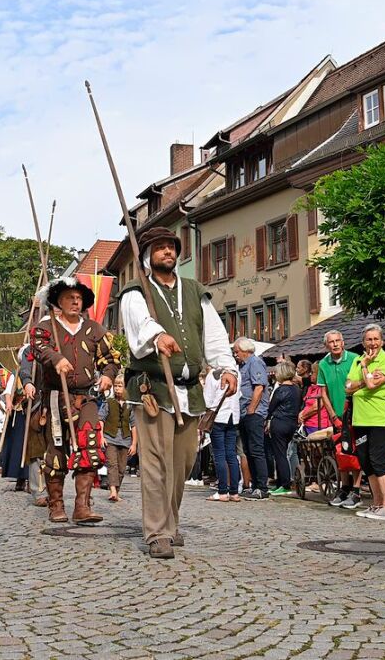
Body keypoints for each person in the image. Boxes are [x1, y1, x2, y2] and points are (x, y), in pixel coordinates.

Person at [119, 227, 238, 559]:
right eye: (158, 248)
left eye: (170, 247)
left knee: (183, 463)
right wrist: (157, 337)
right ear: (147, 256)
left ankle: (169, 524)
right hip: (153, 389)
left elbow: (213, 335)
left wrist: (227, 366)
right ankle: (157, 532)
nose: (166, 252)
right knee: (156, 462)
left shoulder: (194, 291)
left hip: (190, 391)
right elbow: (138, 324)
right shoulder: (135, 290)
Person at [21, 277, 120, 525]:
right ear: (58, 302)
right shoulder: (47, 326)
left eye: (79, 299)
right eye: (70, 298)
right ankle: (56, 506)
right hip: (55, 397)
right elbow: (37, 348)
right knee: (55, 452)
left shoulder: (94, 329)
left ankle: (82, 506)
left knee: (89, 446)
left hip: (85, 398)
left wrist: (108, 376)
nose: (75, 302)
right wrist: (55, 358)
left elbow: (110, 359)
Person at [344, 324, 385, 521]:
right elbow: (348, 387)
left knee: (378, 460)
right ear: (363, 342)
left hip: (379, 418)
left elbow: (373, 384)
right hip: (360, 418)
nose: (372, 343)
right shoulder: (357, 360)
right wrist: (362, 380)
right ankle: (376, 504)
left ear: (382, 341)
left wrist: (365, 369)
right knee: (366, 461)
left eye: (376, 339)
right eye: (369, 339)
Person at [316, 330, 361, 509]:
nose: (335, 344)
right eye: (331, 342)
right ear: (326, 345)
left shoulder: (354, 359)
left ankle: (356, 491)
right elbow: (323, 392)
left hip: (355, 412)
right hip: (336, 414)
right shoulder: (323, 364)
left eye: (337, 341)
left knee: (355, 452)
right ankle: (344, 488)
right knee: (340, 452)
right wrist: (333, 415)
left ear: (343, 343)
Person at [233, 337, 270, 500]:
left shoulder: (255, 362)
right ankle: (255, 485)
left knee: (256, 449)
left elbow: (259, 387)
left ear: (245, 351)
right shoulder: (242, 366)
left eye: (236, 351)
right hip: (244, 412)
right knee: (248, 450)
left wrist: (251, 410)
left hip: (253, 413)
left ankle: (262, 487)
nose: (235, 354)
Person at [206, 366, 242, 502]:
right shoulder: (236, 373)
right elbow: (239, 395)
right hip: (233, 416)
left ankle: (222, 490)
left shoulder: (213, 374)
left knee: (219, 454)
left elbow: (207, 399)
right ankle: (234, 491)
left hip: (218, 416)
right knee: (231, 454)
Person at [267, 361, 302, 496]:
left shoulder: (280, 390)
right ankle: (281, 483)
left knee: (280, 454)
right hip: (292, 423)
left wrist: (267, 420)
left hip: (280, 423)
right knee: (284, 453)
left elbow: (271, 408)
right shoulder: (296, 389)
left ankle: (284, 484)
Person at [99, 379, 137, 502]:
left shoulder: (129, 405)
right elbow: (101, 420)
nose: (117, 388)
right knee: (112, 464)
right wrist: (101, 436)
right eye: (115, 386)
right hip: (110, 437)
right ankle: (113, 491)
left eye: (120, 386)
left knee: (121, 467)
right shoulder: (108, 402)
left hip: (125, 439)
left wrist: (134, 444)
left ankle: (116, 491)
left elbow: (134, 425)